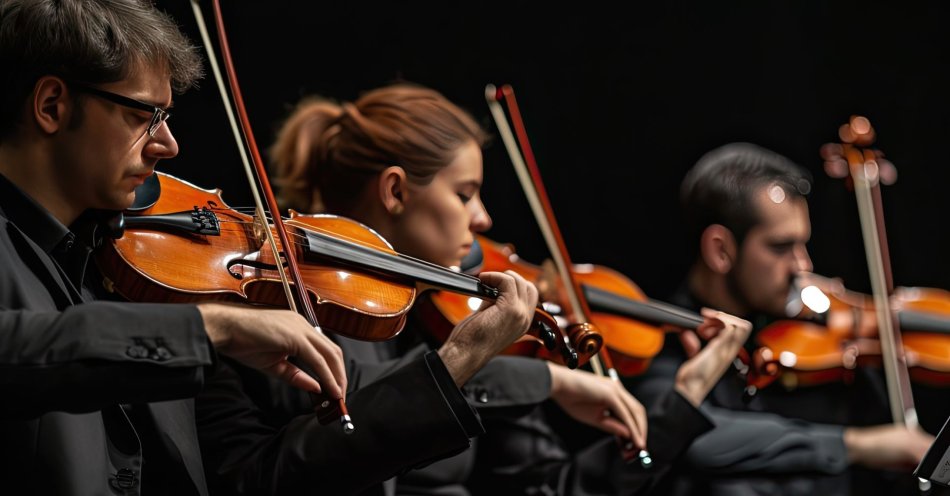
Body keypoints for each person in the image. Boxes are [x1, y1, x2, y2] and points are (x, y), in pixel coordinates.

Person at [0, 1, 540, 494]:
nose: (168, 144)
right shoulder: (183, 316)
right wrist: (212, 328)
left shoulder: (143, 275)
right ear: (52, 105)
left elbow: (257, 479)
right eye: (145, 116)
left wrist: (461, 358)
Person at [266, 82, 754, 495]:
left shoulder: (449, 315)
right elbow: (364, 409)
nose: (483, 218)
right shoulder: (301, 311)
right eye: (464, 194)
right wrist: (547, 379)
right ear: (395, 192)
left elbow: (548, 487)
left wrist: (684, 399)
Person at [624, 142, 936, 496]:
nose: (804, 266)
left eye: (803, 245)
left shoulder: (821, 334)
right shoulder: (658, 340)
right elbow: (688, 436)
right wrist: (856, 445)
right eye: (780, 247)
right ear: (720, 249)